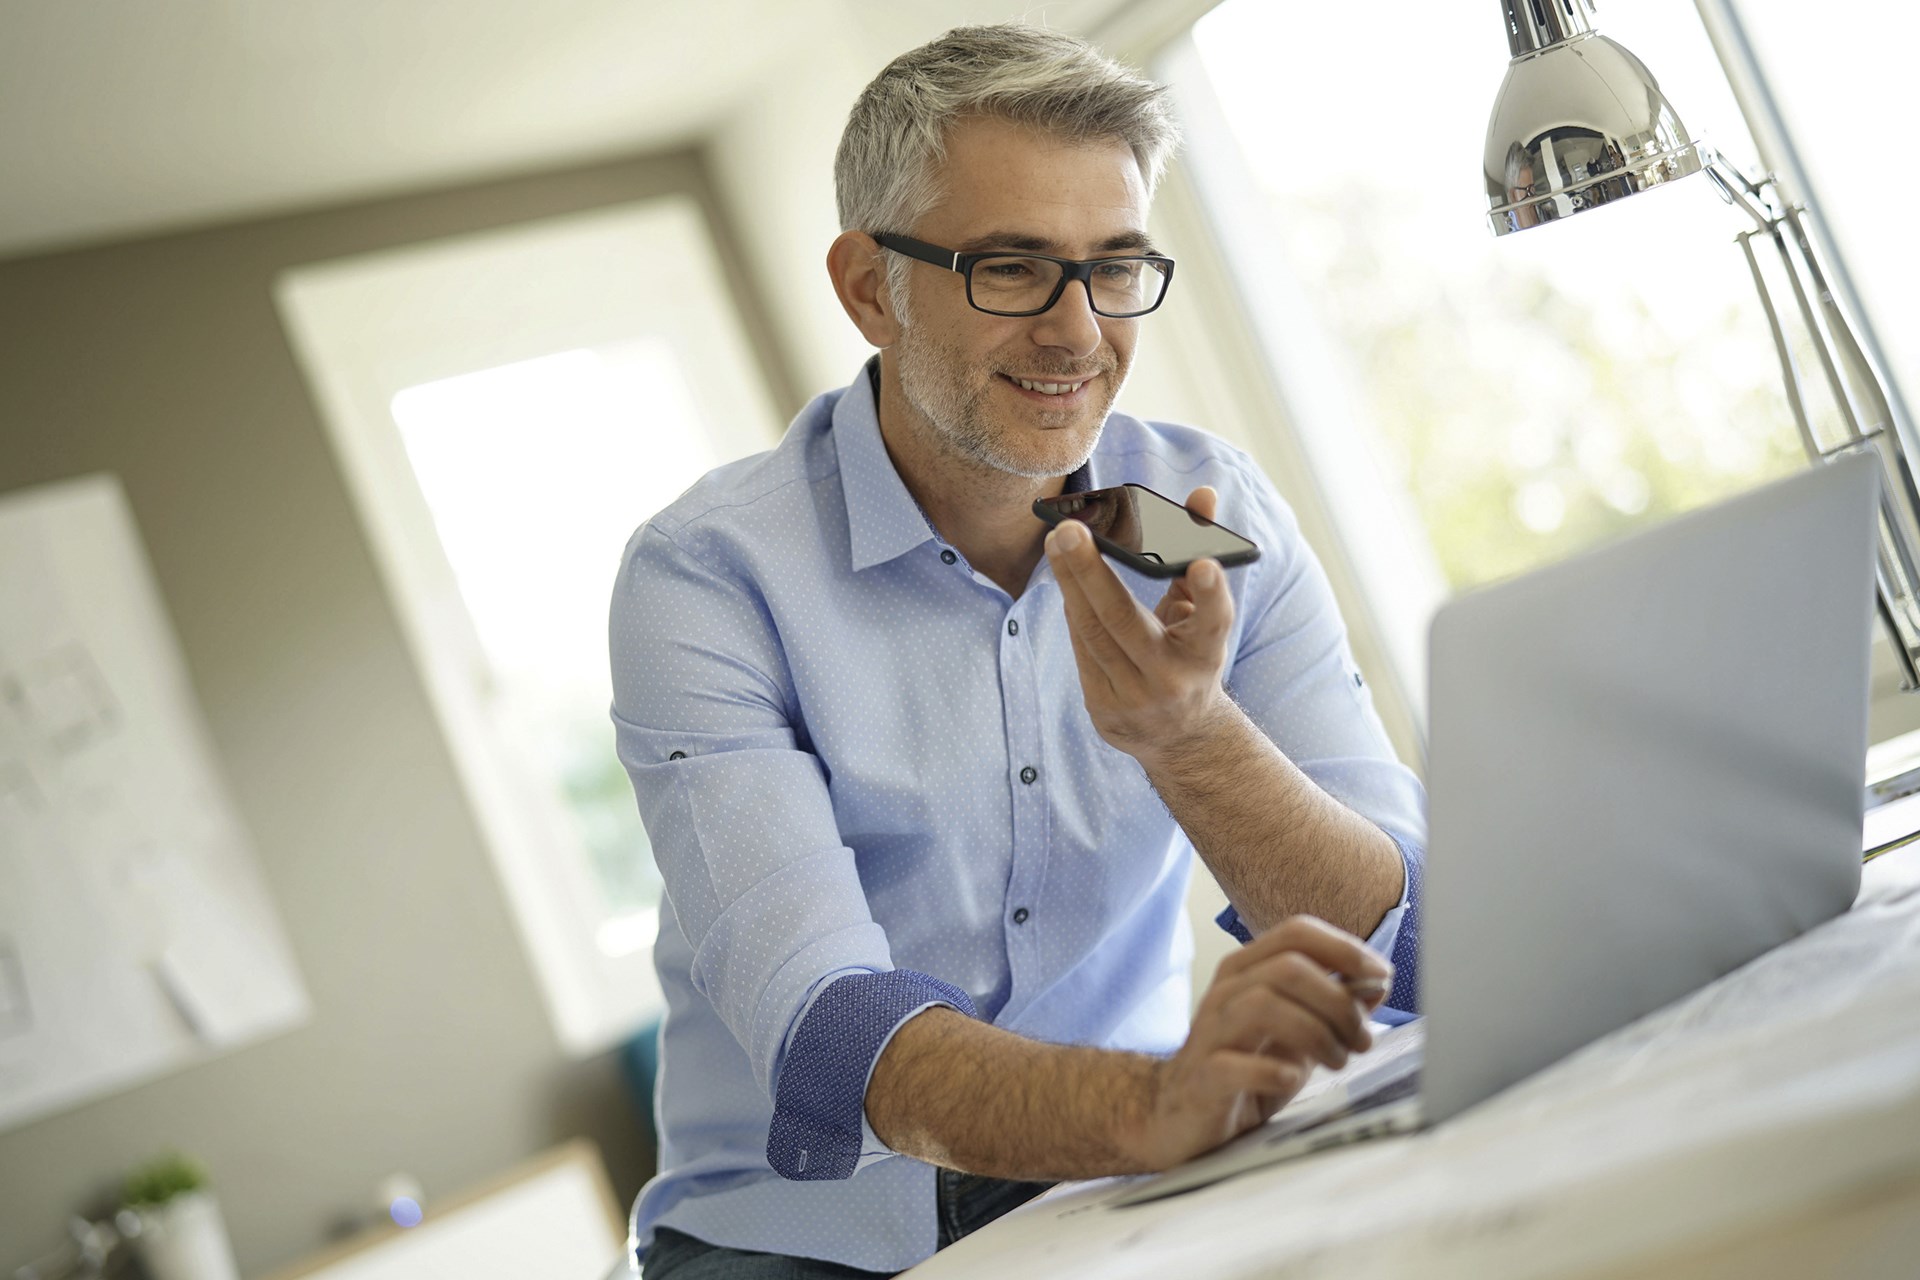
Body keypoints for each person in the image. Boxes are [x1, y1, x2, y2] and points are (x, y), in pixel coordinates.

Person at [609, 23, 1426, 1279]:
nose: (1078, 332)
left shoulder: (1207, 514)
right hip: (804, 1242)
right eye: (1012, 268)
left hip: (1128, 1181)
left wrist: (1191, 738)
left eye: (1115, 267)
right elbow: (832, 1030)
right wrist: (1153, 1105)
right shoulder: (709, 575)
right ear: (870, 287)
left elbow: (1405, 940)